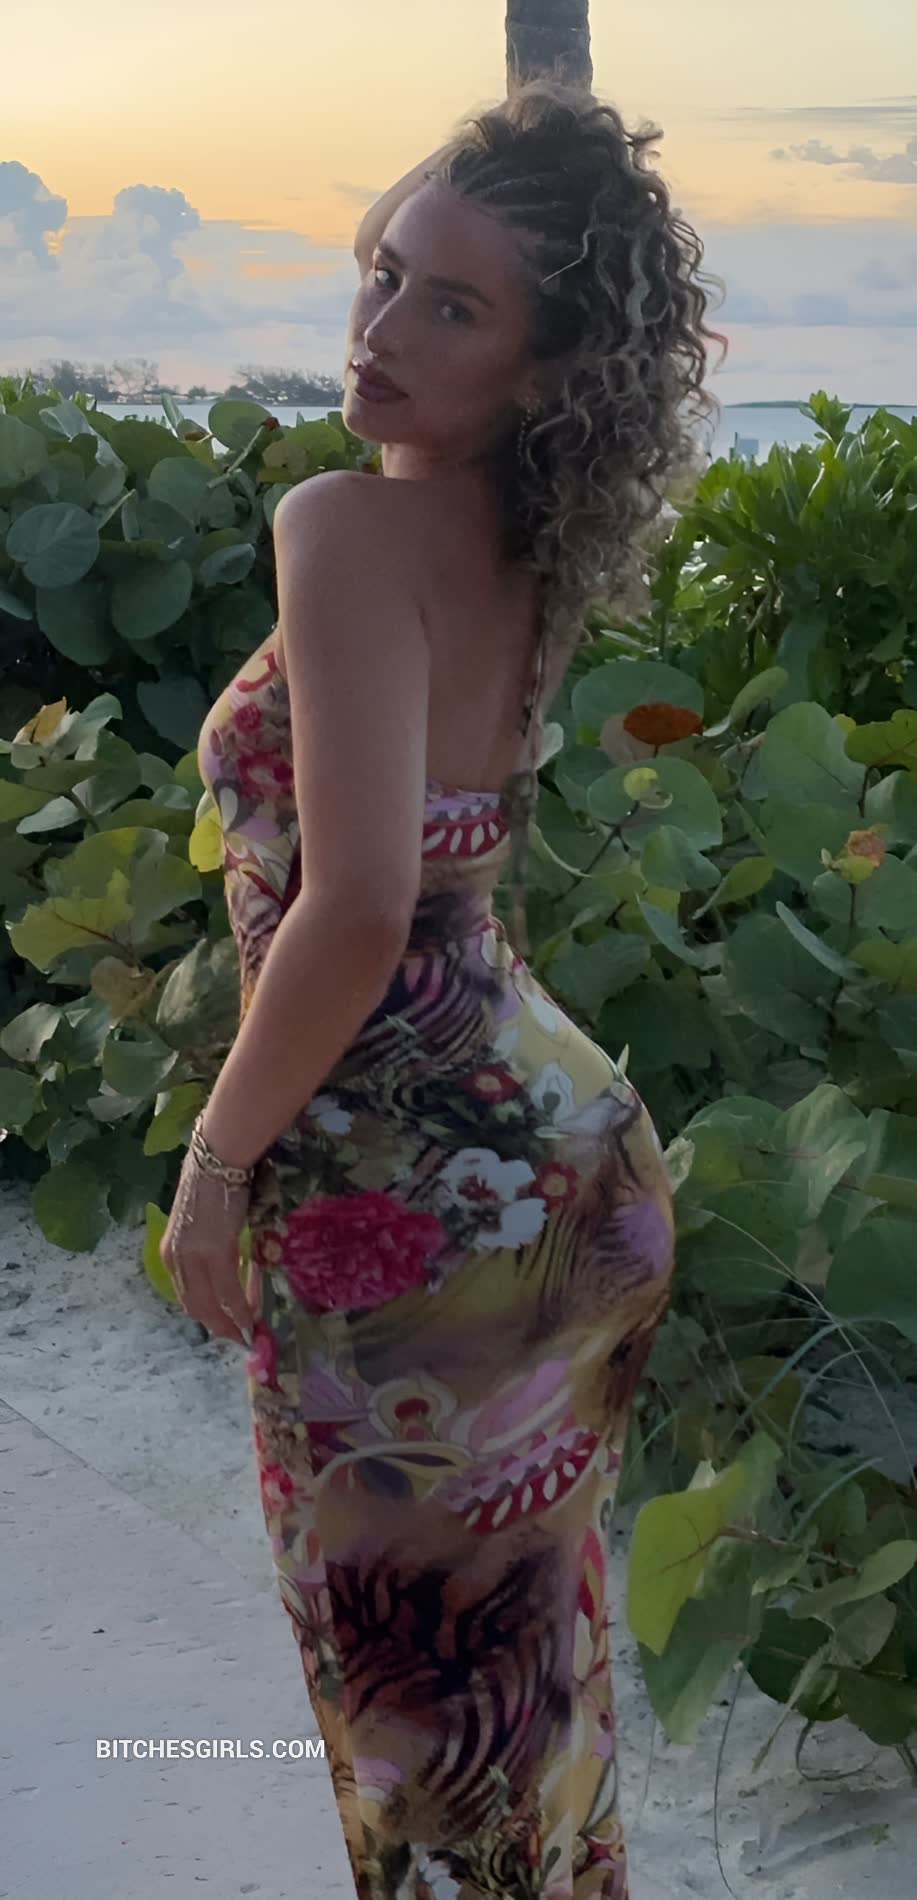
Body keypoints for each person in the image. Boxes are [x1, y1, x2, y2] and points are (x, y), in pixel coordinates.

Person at [161, 77, 725, 1900]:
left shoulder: (340, 524)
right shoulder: (523, 547)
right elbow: (465, 877)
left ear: (546, 372)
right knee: (531, 1686)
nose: (381, 327)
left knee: (414, 1710)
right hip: (571, 1166)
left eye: (452, 306)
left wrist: (215, 1165)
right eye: (385, 270)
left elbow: (356, 909)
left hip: (405, 1198)